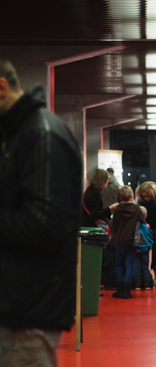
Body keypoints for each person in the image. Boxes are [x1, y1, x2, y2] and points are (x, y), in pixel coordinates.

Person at [0, 57, 82, 366]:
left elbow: (45, 225)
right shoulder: (17, 135)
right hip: (15, 300)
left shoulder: (42, 134)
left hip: (27, 308)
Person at [111, 186, 146, 299]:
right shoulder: (136, 208)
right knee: (130, 264)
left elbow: (114, 224)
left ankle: (119, 290)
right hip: (132, 241)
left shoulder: (117, 209)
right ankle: (127, 291)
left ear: (120, 197)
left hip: (120, 240)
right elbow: (143, 222)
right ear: (132, 196)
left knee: (119, 265)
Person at [134, 206, 153, 290]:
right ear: (146, 216)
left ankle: (137, 284)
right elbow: (150, 237)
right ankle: (147, 283)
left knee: (137, 266)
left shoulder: (134, 226)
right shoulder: (147, 226)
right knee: (145, 266)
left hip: (136, 249)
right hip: (145, 249)